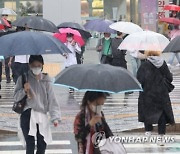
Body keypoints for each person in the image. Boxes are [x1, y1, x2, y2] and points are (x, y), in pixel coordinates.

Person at [14, 55, 61, 154]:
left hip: (42, 116)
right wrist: (24, 90)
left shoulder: (46, 80)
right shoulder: (23, 78)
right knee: (30, 144)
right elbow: (16, 98)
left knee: (42, 144)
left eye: (39, 65)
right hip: (27, 115)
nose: (36, 68)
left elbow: (52, 100)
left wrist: (55, 117)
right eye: (34, 65)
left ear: (42, 66)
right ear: (30, 65)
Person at [137, 51, 175, 146]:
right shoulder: (163, 64)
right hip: (161, 93)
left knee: (147, 113)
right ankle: (161, 138)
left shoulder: (145, 65)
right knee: (161, 114)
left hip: (147, 93)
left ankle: (148, 134)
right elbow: (169, 78)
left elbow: (139, 78)